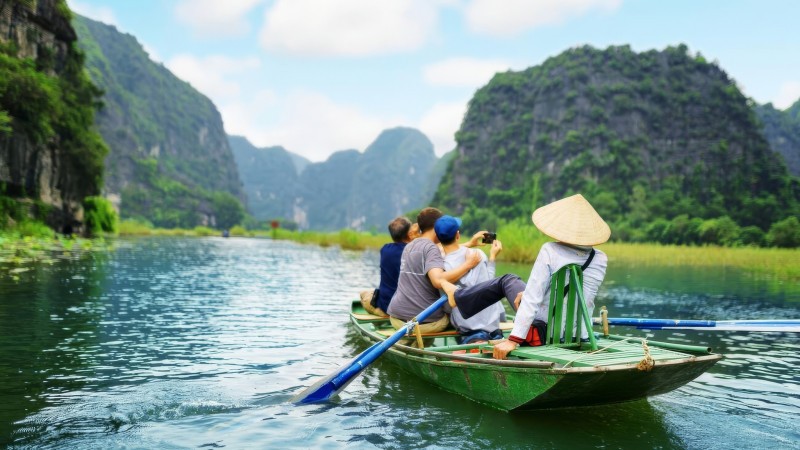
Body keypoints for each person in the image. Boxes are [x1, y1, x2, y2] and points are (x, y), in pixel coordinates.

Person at [490, 193, 609, 360]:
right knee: (525, 295)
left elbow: (532, 299)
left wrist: (513, 339)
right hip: (580, 334)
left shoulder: (550, 250)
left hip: (546, 334)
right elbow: (580, 296)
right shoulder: (601, 258)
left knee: (521, 293)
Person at [386, 207, 482, 337]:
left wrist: (469, 244)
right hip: (422, 323)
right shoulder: (431, 248)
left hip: (396, 317)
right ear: (436, 227)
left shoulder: (411, 245)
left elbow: (442, 249)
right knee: (459, 316)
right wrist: (468, 265)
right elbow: (438, 281)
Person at [434, 215, 507, 344]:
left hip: (466, 326)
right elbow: (489, 284)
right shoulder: (477, 254)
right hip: (492, 324)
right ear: (458, 235)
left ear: (437, 238)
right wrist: (492, 257)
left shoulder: (438, 265)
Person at [359, 217, 417, 317]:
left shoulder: (385, 250)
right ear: (409, 234)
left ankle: (383, 314)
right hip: (409, 307)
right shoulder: (415, 252)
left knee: (364, 294)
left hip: (386, 306)